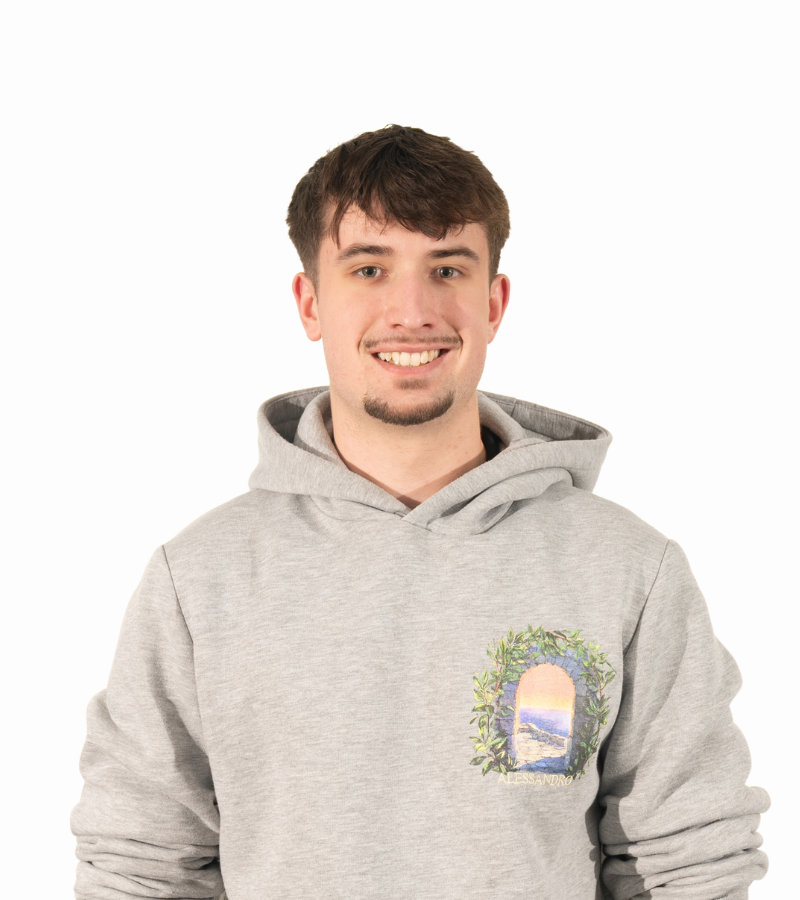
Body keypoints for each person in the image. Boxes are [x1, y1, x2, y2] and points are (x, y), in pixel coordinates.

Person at [71, 124, 769, 899]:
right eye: (369, 268)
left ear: (493, 303)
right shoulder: (201, 578)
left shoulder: (628, 569)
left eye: (447, 269)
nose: (411, 310)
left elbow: (690, 861)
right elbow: (142, 865)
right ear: (310, 303)